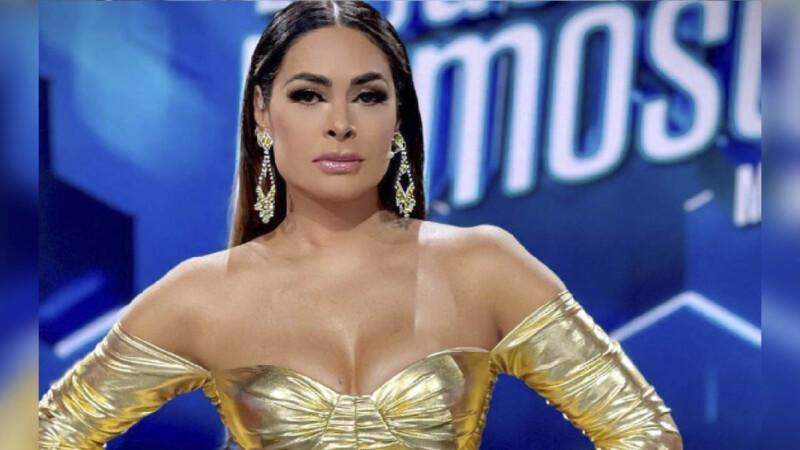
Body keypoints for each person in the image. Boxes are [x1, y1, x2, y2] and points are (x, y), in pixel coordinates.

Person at [38, 1, 683, 449]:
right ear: (262, 111)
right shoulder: (203, 295)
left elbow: (644, 433)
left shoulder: (483, 266)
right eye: (308, 95)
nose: (341, 123)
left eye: (369, 96)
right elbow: (49, 434)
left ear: (397, 115)